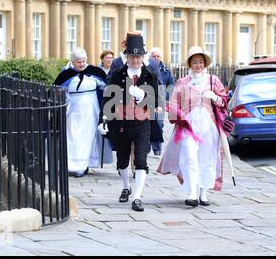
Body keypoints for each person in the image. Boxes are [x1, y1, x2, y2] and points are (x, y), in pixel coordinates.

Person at [158, 46, 228, 207]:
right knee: (189, 156)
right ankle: (192, 192)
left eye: (201, 62)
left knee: (207, 158)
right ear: (190, 64)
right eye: (195, 62)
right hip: (188, 126)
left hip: (208, 126)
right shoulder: (182, 82)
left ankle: (203, 193)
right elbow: (174, 104)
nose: (198, 65)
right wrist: (179, 116)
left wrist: (215, 97)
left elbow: (224, 101)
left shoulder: (213, 80)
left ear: (205, 64)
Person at [98, 34, 160, 212]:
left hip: (142, 123)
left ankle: (137, 197)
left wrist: (143, 96)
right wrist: (104, 119)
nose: (135, 60)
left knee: (141, 159)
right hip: (121, 122)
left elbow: (156, 101)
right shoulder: (117, 75)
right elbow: (108, 97)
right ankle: (126, 186)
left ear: (143, 57)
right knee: (122, 161)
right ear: (127, 57)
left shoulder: (150, 75)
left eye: (138, 56)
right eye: (132, 57)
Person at [54, 47, 109, 177]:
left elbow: (106, 87)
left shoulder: (95, 72)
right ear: (73, 62)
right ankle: (71, 164)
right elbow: (58, 90)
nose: (82, 64)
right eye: (79, 62)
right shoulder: (66, 74)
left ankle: (83, 165)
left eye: (84, 61)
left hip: (90, 110)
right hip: (73, 110)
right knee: (72, 135)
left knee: (87, 137)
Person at [148, 47, 175, 157]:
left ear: (161, 58)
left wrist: (165, 95)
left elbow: (171, 85)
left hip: (160, 100)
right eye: (153, 56)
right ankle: (146, 147)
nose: (156, 58)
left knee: (159, 124)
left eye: (158, 56)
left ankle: (157, 148)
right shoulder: (147, 68)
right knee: (147, 123)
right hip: (148, 98)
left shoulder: (166, 71)